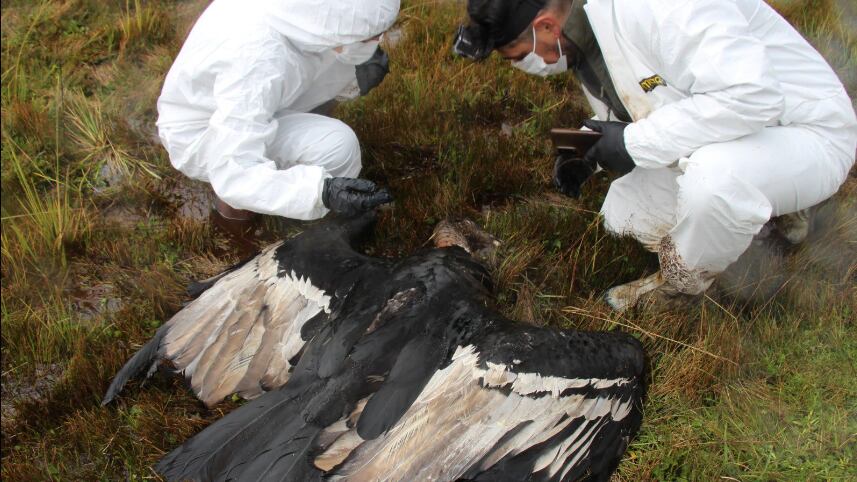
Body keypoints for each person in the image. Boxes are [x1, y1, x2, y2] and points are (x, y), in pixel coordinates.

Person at [454, 0, 857, 311]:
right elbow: (637, 104)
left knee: (713, 184)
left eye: (519, 55)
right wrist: (577, 148)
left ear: (545, 25)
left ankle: (680, 291)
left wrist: (631, 144)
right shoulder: (586, 34)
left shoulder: (659, 7)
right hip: (732, 131)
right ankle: (765, 206)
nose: (529, 65)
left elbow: (754, 96)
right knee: (623, 219)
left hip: (801, 132)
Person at [156, 0, 399, 228]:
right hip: (205, 132)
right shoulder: (256, 61)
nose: (379, 40)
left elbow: (310, 59)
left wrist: (355, 69)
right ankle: (233, 224)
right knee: (339, 149)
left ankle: (287, 167)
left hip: (248, 101)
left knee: (345, 67)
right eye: (373, 36)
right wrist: (320, 192)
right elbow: (233, 171)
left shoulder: (305, 15)